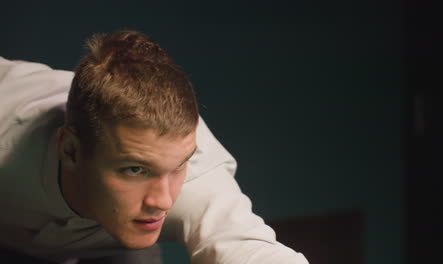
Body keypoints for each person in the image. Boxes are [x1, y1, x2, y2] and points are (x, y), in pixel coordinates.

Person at [0, 30, 309, 264]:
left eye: (178, 166)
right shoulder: (6, 126)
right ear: (70, 151)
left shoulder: (199, 181)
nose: (162, 201)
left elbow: (249, 250)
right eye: (135, 169)